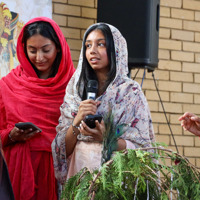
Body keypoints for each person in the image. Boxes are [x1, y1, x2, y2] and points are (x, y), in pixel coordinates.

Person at [52, 23, 155, 184]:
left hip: (116, 180)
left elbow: (143, 150)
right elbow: (61, 151)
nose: (92, 50)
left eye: (101, 44)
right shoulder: (75, 89)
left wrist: (108, 139)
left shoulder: (130, 92)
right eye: (88, 45)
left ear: (116, 50)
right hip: (80, 177)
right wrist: (77, 120)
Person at [0, 17, 75, 200]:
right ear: (23, 48)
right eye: (32, 50)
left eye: (46, 50)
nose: (39, 58)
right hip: (17, 171)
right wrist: (11, 135)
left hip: (59, 172)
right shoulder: (8, 84)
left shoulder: (74, 86)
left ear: (58, 47)